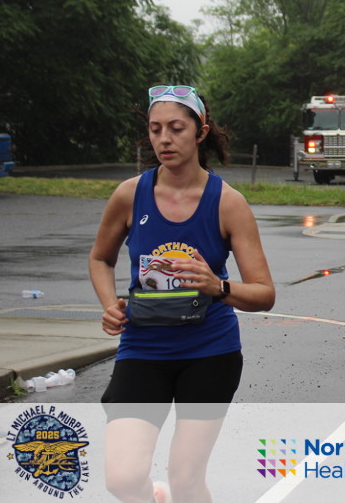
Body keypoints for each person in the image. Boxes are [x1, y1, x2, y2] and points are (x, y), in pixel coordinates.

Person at [89, 84, 275, 503]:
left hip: (209, 352)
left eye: (176, 128)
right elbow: (100, 258)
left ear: (200, 132)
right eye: (155, 129)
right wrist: (108, 305)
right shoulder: (129, 194)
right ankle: (155, 496)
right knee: (122, 479)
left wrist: (217, 286)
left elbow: (264, 293)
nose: (164, 139)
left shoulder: (228, 203)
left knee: (187, 479)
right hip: (143, 348)